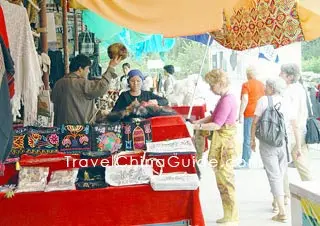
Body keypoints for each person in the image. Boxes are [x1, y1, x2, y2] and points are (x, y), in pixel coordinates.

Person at [192, 69, 238, 224]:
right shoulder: (225, 98)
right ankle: (229, 213)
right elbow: (213, 116)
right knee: (223, 180)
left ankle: (231, 215)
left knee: (225, 181)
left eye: (212, 85)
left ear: (220, 83)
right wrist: (198, 122)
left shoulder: (227, 100)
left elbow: (216, 124)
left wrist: (198, 127)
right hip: (223, 143)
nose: (211, 88)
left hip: (224, 146)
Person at [251, 78, 288, 223]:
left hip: (267, 143)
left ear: (272, 88)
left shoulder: (263, 100)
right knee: (280, 173)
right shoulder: (286, 101)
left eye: (266, 85)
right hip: (282, 142)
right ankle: (276, 202)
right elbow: (291, 122)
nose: (264, 87)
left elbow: (255, 122)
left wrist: (252, 140)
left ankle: (282, 212)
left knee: (274, 175)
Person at [51, 54, 121, 125]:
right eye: (88, 68)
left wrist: (99, 113)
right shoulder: (82, 83)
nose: (89, 71)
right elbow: (102, 86)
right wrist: (111, 67)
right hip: (79, 130)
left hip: (60, 129)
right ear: (80, 69)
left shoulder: (58, 83)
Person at [279, 63, 312, 202]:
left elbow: (289, 115)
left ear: (289, 76)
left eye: (282, 73)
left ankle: (285, 196)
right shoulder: (300, 88)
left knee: (281, 165)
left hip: (290, 132)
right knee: (303, 165)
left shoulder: (288, 91)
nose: (279, 75)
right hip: (301, 130)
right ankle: (312, 192)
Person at [236, 66, 265, 168]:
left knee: (247, 137)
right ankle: (266, 163)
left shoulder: (246, 85)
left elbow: (244, 99)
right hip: (261, 114)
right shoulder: (262, 85)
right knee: (263, 138)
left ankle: (245, 162)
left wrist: (240, 114)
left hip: (249, 114)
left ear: (247, 75)